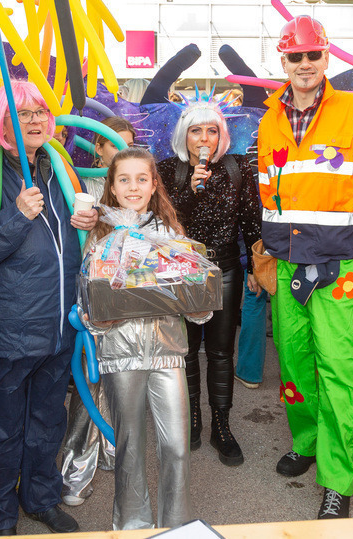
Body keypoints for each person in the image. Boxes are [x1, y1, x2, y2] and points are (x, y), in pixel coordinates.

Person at [256, 15, 353, 519]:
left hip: (340, 266)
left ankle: (337, 478)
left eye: (313, 54)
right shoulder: (269, 119)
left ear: (326, 56)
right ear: (283, 60)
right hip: (285, 262)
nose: (305, 63)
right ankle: (307, 441)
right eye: (296, 56)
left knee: (338, 370)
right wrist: (266, 253)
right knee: (293, 362)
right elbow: (268, 192)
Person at [0, 81, 98, 536]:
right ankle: (0, 517)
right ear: (0, 120)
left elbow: (70, 246)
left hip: (59, 327)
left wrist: (89, 222)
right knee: (2, 430)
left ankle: (41, 499)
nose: (34, 120)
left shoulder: (58, 169)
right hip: (9, 331)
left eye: (40, 112)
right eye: (22, 113)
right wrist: (16, 216)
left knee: (48, 422)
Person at [86, 147, 209, 530]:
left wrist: (198, 303)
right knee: (129, 450)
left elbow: (195, 303)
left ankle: (176, 528)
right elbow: (89, 304)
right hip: (120, 356)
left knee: (176, 447)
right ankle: (131, 528)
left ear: (155, 184)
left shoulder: (171, 235)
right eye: (124, 179)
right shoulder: (98, 237)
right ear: (112, 187)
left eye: (142, 179)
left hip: (167, 353)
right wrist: (99, 318)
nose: (133, 187)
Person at [157, 99, 261, 466]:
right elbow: (164, 224)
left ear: (221, 136)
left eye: (212, 131)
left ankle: (221, 425)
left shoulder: (237, 168)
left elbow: (251, 219)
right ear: (183, 136)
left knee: (220, 351)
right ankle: (191, 420)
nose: (204, 139)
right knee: (185, 351)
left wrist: (255, 267)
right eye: (196, 131)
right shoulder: (166, 170)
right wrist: (190, 189)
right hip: (182, 270)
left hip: (226, 269)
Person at [59, 116, 134, 508]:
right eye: (114, 144)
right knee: (89, 385)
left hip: (131, 312)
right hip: (93, 304)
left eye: (128, 145)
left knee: (122, 386)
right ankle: (75, 467)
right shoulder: (82, 188)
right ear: (98, 148)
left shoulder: (139, 191)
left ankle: (110, 449)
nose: (121, 152)